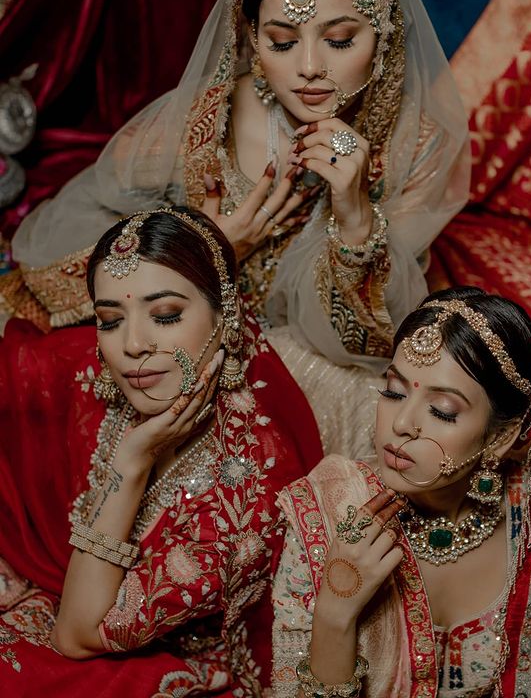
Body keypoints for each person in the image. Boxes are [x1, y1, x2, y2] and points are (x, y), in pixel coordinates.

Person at [0, 0, 469, 456]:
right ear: (251, 36)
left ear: (383, 33)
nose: (310, 68)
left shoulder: (419, 145)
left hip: (311, 354)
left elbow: (371, 341)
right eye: (281, 40)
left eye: (340, 40)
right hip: (182, 334)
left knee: (396, 420)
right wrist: (208, 248)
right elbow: (62, 246)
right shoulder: (201, 124)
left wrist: (355, 213)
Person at [0, 207, 321, 696]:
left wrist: (130, 467)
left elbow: (77, 636)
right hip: (50, 583)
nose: (133, 344)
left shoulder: (247, 499)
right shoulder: (116, 375)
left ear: (226, 313)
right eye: (109, 320)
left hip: (150, 657)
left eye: (166, 315)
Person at [271, 286, 531, 697]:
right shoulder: (328, 511)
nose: (402, 423)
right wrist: (336, 613)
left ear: (501, 437)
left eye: (442, 410)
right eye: (393, 391)